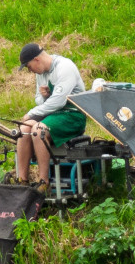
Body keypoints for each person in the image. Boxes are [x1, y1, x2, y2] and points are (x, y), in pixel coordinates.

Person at [13, 42, 86, 190]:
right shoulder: (40, 73)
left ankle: (43, 182)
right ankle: (22, 181)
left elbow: (59, 101)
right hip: (53, 114)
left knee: (38, 130)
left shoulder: (65, 67)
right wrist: (44, 96)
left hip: (73, 116)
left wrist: (31, 113)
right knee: (24, 128)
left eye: (29, 67)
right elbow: (39, 100)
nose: (30, 71)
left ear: (37, 60)